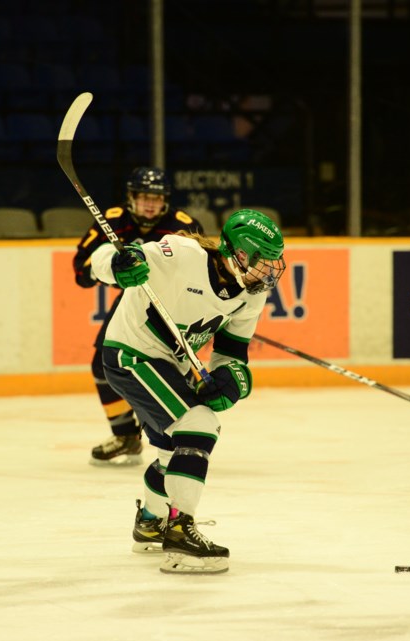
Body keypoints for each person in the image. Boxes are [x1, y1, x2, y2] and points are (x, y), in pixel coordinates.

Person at [88, 209, 286, 574]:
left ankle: (150, 523)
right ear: (237, 253)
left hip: (171, 364)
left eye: (275, 263)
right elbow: (98, 258)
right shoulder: (179, 254)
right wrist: (117, 266)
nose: (269, 271)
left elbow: (230, 354)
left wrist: (231, 378)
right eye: (262, 262)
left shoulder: (250, 296)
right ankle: (180, 530)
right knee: (200, 425)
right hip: (131, 354)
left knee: (172, 452)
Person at [72, 167, 204, 466]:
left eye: (156, 198)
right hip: (132, 301)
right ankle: (126, 436)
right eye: (143, 197)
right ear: (131, 198)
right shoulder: (113, 220)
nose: (149, 204)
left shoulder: (183, 225)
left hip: (176, 305)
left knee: (174, 370)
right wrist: (110, 271)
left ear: (166, 201)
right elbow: (82, 269)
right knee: (102, 364)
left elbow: (202, 270)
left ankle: (180, 434)